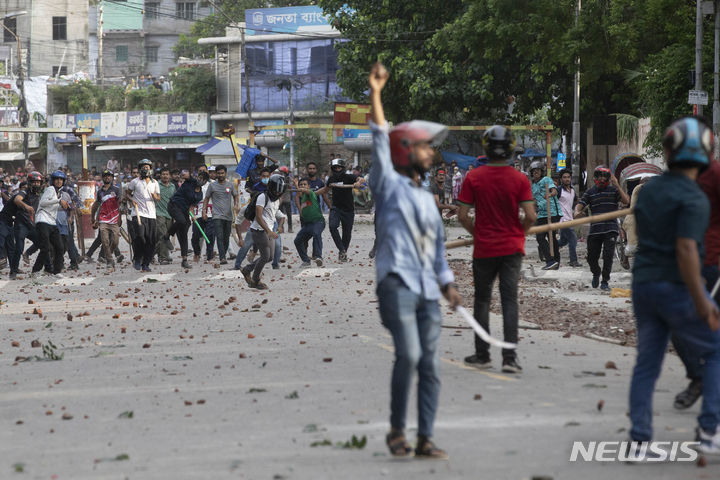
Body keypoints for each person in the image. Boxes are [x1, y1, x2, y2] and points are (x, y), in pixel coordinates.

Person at [368, 62, 461, 460]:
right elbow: (378, 137)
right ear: (406, 151)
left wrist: (448, 283)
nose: (432, 153)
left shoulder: (428, 199)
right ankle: (395, 430)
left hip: (427, 290)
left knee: (431, 364)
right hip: (396, 284)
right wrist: (376, 93)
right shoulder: (387, 184)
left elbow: (438, 251)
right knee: (408, 354)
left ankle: (425, 437)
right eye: (425, 146)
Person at [629, 116, 720, 457]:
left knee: (647, 363)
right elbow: (685, 250)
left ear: (667, 152)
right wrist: (702, 301)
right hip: (678, 287)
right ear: (707, 153)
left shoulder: (648, 191)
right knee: (714, 351)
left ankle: (639, 441)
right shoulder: (695, 199)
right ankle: (710, 430)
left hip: (643, 286)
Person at [458, 126, 537, 373]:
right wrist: (519, 233)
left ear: (486, 148)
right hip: (512, 248)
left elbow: (462, 215)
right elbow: (531, 216)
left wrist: (477, 233)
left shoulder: (473, 177)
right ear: (511, 148)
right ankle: (509, 358)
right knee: (509, 301)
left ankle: (482, 355)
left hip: (484, 249)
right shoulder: (520, 178)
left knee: (482, 301)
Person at [574, 165, 629, 290]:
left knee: (608, 256)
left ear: (609, 179)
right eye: (600, 176)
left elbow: (625, 201)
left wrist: (617, 185)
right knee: (592, 257)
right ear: (595, 177)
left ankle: (605, 281)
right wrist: (577, 212)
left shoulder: (614, 191)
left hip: (611, 228)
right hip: (595, 230)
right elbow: (580, 206)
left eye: (605, 177)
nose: (602, 179)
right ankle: (596, 272)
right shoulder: (590, 192)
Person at [240, 174, 287, 290]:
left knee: (270, 257)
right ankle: (255, 280)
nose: (277, 194)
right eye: (275, 191)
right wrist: (268, 231)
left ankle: (247, 269)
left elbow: (279, 215)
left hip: (269, 231)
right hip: (259, 230)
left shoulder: (276, 201)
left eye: (279, 193)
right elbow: (259, 216)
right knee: (265, 256)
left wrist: (280, 226)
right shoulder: (262, 197)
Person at [166, 171, 209, 269]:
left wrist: (193, 216)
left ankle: (184, 260)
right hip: (174, 205)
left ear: (205, 181)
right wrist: (184, 174)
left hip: (184, 210)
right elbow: (186, 175)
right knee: (182, 221)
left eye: (202, 178)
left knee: (184, 231)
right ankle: (167, 235)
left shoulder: (200, 195)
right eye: (199, 176)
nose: (199, 179)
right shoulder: (191, 181)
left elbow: (191, 207)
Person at [326, 158, 364, 262]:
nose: (337, 169)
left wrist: (358, 183)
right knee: (332, 227)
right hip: (336, 208)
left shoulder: (349, 177)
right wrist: (312, 193)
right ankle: (342, 249)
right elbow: (325, 190)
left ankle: (343, 252)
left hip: (348, 209)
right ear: (332, 169)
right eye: (335, 168)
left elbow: (361, 179)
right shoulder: (331, 179)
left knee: (347, 232)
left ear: (342, 168)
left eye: (339, 167)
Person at [126, 159, 160, 272]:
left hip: (151, 215)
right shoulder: (135, 182)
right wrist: (131, 200)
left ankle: (146, 263)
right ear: (140, 169)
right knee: (140, 237)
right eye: (143, 167)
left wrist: (155, 196)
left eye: (148, 167)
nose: (146, 169)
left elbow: (158, 198)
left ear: (151, 169)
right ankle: (137, 258)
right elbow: (127, 193)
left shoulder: (154, 183)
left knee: (151, 240)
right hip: (138, 214)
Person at [33, 170, 68, 276]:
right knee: (45, 248)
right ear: (53, 181)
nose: (59, 181)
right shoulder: (50, 189)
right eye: (56, 179)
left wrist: (62, 205)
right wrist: (58, 201)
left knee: (60, 247)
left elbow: (52, 206)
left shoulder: (58, 193)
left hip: (52, 222)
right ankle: (35, 270)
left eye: (61, 179)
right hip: (43, 220)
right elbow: (43, 203)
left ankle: (56, 271)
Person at [8, 172, 42, 279]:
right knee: (18, 248)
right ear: (30, 183)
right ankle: (13, 272)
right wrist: (26, 206)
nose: (36, 184)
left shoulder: (39, 194)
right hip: (21, 225)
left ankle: (28, 253)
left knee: (41, 242)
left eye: (38, 182)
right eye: (34, 182)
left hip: (32, 225)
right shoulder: (24, 192)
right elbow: (17, 199)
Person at [530, 160, 562, 270]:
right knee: (540, 237)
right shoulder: (533, 185)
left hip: (552, 212)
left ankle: (553, 261)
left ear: (541, 172)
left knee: (550, 236)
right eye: (534, 171)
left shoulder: (546, 180)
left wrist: (548, 195)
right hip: (542, 213)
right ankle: (552, 261)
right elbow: (534, 200)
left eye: (538, 171)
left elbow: (554, 192)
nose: (536, 173)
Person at [203, 165, 238, 265]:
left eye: (222, 173)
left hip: (228, 215)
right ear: (216, 174)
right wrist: (204, 211)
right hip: (216, 215)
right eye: (218, 173)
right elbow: (206, 199)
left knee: (226, 237)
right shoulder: (212, 186)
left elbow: (236, 195)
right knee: (219, 236)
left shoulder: (230, 185)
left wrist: (236, 205)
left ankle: (224, 254)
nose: (220, 175)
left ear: (225, 173)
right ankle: (222, 257)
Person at [90, 170, 122, 270]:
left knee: (115, 241)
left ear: (112, 178)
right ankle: (109, 260)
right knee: (105, 240)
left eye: (109, 176)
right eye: (105, 176)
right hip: (103, 219)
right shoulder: (100, 192)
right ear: (103, 178)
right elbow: (96, 205)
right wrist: (93, 218)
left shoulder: (116, 190)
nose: (107, 178)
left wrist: (120, 218)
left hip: (114, 219)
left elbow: (120, 204)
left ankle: (109, 255)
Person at [293, 178, 326, 267]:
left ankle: (318, 257)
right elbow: (299, 193)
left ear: (309, 186)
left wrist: (300, 187)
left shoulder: (311, 193)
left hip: (318, 222)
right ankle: (306, 260)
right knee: (297, 241)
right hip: (307, 224)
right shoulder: (302, 197)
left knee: (316, 233)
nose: (303, 186)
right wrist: (296, 185)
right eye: (301, 185)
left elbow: (305, 191)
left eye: (305, 184)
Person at [557, 168, 581, 267]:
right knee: (573, 239)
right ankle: (573, 260)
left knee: (563, 241)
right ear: (561, 179)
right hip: (563, 219)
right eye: (564, 177)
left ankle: (545, 247)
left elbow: (575, 202)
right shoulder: (559, 190)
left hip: (570, 218)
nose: (567, 179)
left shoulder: (572, 190)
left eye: (568, 177)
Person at [155, 167, 176, 265]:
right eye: (163, 174)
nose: (165, 176)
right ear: (160, 175)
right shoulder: (156, 185)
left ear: (169, 176)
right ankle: (163, 257)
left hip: (169, 214)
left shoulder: (172, 186)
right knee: (163, 235)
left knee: (164, 236)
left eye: (167, 174)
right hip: (159, 213)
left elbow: (175, 200)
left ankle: (149, 254)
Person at [278, 166, 293, 233]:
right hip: (280, 198)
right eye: (281, 172)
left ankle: (290, 228)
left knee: (289, 214)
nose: (281, 174)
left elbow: (290, 186)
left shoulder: (289, 178)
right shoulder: (278, 178)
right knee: (280, 214)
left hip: (287, 199)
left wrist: (285, 183)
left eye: (283, 172)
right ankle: (281, 227)